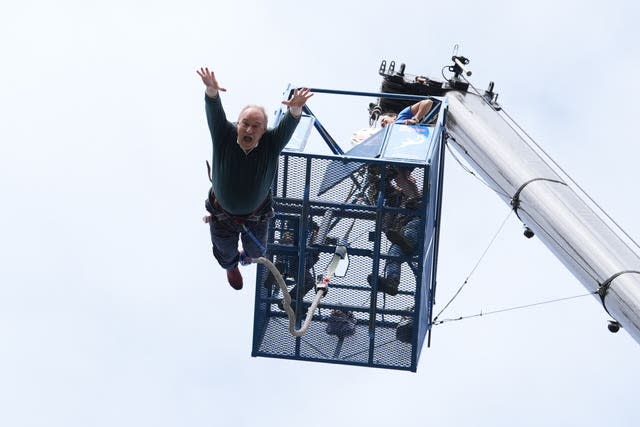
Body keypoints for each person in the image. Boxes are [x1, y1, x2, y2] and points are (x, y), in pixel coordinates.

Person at [197, 67, 313, 290]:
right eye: (245, 124)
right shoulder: (224, 135)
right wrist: (211, 91)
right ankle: (231, 265)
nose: (249, 129)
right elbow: (214, 111)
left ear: (263, 131)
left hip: (256, 215)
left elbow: (289, 124)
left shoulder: (271, 143)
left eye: (256, 126)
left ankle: (242, 258)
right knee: (224, 251)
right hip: (222, 213)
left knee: (256, 252)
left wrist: (296, 108)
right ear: (237, 125)